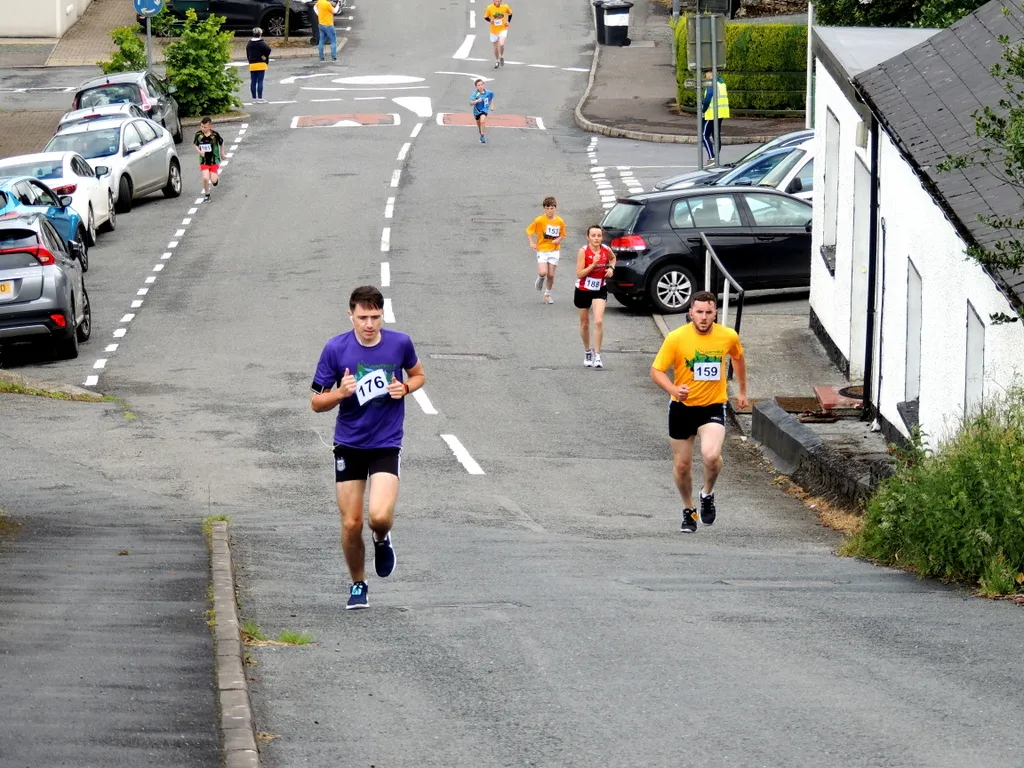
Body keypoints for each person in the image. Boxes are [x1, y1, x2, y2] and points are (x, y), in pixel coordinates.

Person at [310, 285, 426, 610]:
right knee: (351, 523)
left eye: (375, 316)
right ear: (351, 315)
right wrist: (339, 394)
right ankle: (358, 584)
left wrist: (404, 387)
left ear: (382, 315)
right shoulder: (335, 349)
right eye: (363, 317)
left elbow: (418, 375)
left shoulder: (399, 343)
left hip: (386, 442)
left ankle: (381, 538)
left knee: (379, 517)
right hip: (349, 444)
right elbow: (316, 402)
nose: (370, 324)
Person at [650, 291, 749, 533]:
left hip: (712, 406)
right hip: (682, 408)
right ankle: (689, 510)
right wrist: (674, 388)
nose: (704, 317)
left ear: (715, 313)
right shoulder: (676, 338)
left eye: (708, 312)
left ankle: (707, 493)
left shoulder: (727, 336)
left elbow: (738, 358)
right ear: (690, 313)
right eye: (699, 312)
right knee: (682, 466)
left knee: (711, 455)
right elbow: (656, 371)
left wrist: (743, 391)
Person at [574, 224, 615, 368]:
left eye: (599, 236)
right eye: (593, 236)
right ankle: (587, 351)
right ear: (588, 237)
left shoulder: (606, 249)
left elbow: (613, 258)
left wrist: (611, 269)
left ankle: (597, 355)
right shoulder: (583, 251)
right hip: (583, 289)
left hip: (600, 288)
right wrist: (593, 264)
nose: (596, 238)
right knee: (585, 323)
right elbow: (579, 274)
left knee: (598, 321)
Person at [526, 196, 566, 305]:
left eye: (552, 208)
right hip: (542, 249)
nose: (549, 211)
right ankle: (540, 278)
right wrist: (531, 243)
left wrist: (557, 239)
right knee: (543, 272)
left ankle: (547, 294)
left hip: (554, 250)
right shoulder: (540, 220)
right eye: (547, 208)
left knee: (551, 275)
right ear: (544, 209)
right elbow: (529, 231)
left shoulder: (559, 221)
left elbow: (563, 234)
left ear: (555, 208)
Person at [701, 71, 730, 164]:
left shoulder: (712, 84)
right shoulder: (721, 84)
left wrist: (703, 109)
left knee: (704, 135)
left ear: (710, 75)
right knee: (716, 136)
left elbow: (708, 99)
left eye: (707, 76)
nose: (706, 78)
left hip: (711, 114)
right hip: (721, 113)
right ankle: (716, 157)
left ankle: (712, 158)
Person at [193, 117, 224, 202]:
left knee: (213, 180)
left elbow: (221, 142)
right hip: (204, 161)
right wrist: (199, 152)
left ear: (210, 126)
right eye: (201, 126)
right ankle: (207, 194)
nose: (202, 128)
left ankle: (215, 181)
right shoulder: (198, 135)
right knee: (205, 178)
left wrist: (222, 153)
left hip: (214, 161)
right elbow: (195, 145)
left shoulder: (215, 135)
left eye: (205, 127)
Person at [246, 27, 272, 104]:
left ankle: (254, 98)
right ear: (260, 34)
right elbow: (268, 50)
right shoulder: (261, 43)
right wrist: (264, 56)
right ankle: (260, 98)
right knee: (260, 81)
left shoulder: (249, 43)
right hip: (261, 64)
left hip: (252, 64)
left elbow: (247, 53)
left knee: (253, 82)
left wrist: (250, 60)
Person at [483, 2, 512, 69]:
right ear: (493, 1)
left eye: (498, 1)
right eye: (496, 1)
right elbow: (485, 17)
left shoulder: (505, 7)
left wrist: (508, 21)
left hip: (503, 29)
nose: (497, 2)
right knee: (495, 48)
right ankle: (497, 60)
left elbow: (510, 13)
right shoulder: (490, 8)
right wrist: (490, 20)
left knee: (501, 44)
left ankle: (501, 56)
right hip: (493, 30)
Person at [469, 79, 495, 144]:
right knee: (479, 124)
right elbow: (470, 103)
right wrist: (477, 101)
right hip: (477, 111)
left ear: (483, 85)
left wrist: (492, 106)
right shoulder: (475, 94)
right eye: (478, 85)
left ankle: (482, 136)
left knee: (482, 121)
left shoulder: (488, 92)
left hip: (484, 109)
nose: (480, 86)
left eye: (481, 85)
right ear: (476, 87)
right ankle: (481, 133)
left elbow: (491, 98)